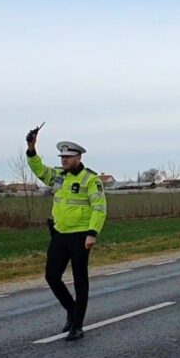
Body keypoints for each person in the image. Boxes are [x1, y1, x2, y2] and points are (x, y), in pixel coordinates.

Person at [26, 128, 107, 341]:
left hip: (81, 236)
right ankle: (71, 309)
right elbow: (39, 170)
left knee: (80, 279)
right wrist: (31, 149)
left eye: (68, 157)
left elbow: (99, 208)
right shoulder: (59, 176)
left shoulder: (91, 180)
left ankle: (77, 326)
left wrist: (92, 233)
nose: (64, 161)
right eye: (62, 157)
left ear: (78, 157)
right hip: (60, 235)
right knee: (52, 276)